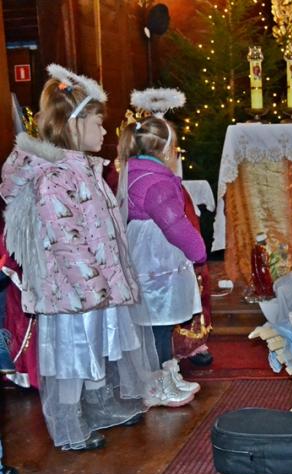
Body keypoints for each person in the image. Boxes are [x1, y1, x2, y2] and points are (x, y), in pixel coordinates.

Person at [0, 65, 160, 450]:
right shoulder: (54, 175)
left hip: (96, 282)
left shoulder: (83, 168)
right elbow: (62, 237)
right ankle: (68, 426)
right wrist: (92, 283)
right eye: (98, 123)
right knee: (72, 356)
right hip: (72, 290)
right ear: (73, 124)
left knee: (100, 346)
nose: (105, 132)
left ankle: (100, 406)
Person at [117, 88, 205, 406]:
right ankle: (155, 385)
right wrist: (197, 250)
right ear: (165, 150)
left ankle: (167, 375)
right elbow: (174, 225)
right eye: (175, 147)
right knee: (160, 324)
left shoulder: (136, 172)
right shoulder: (157, 182)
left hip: (146, 252)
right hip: (157, 258)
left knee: (159, 324)